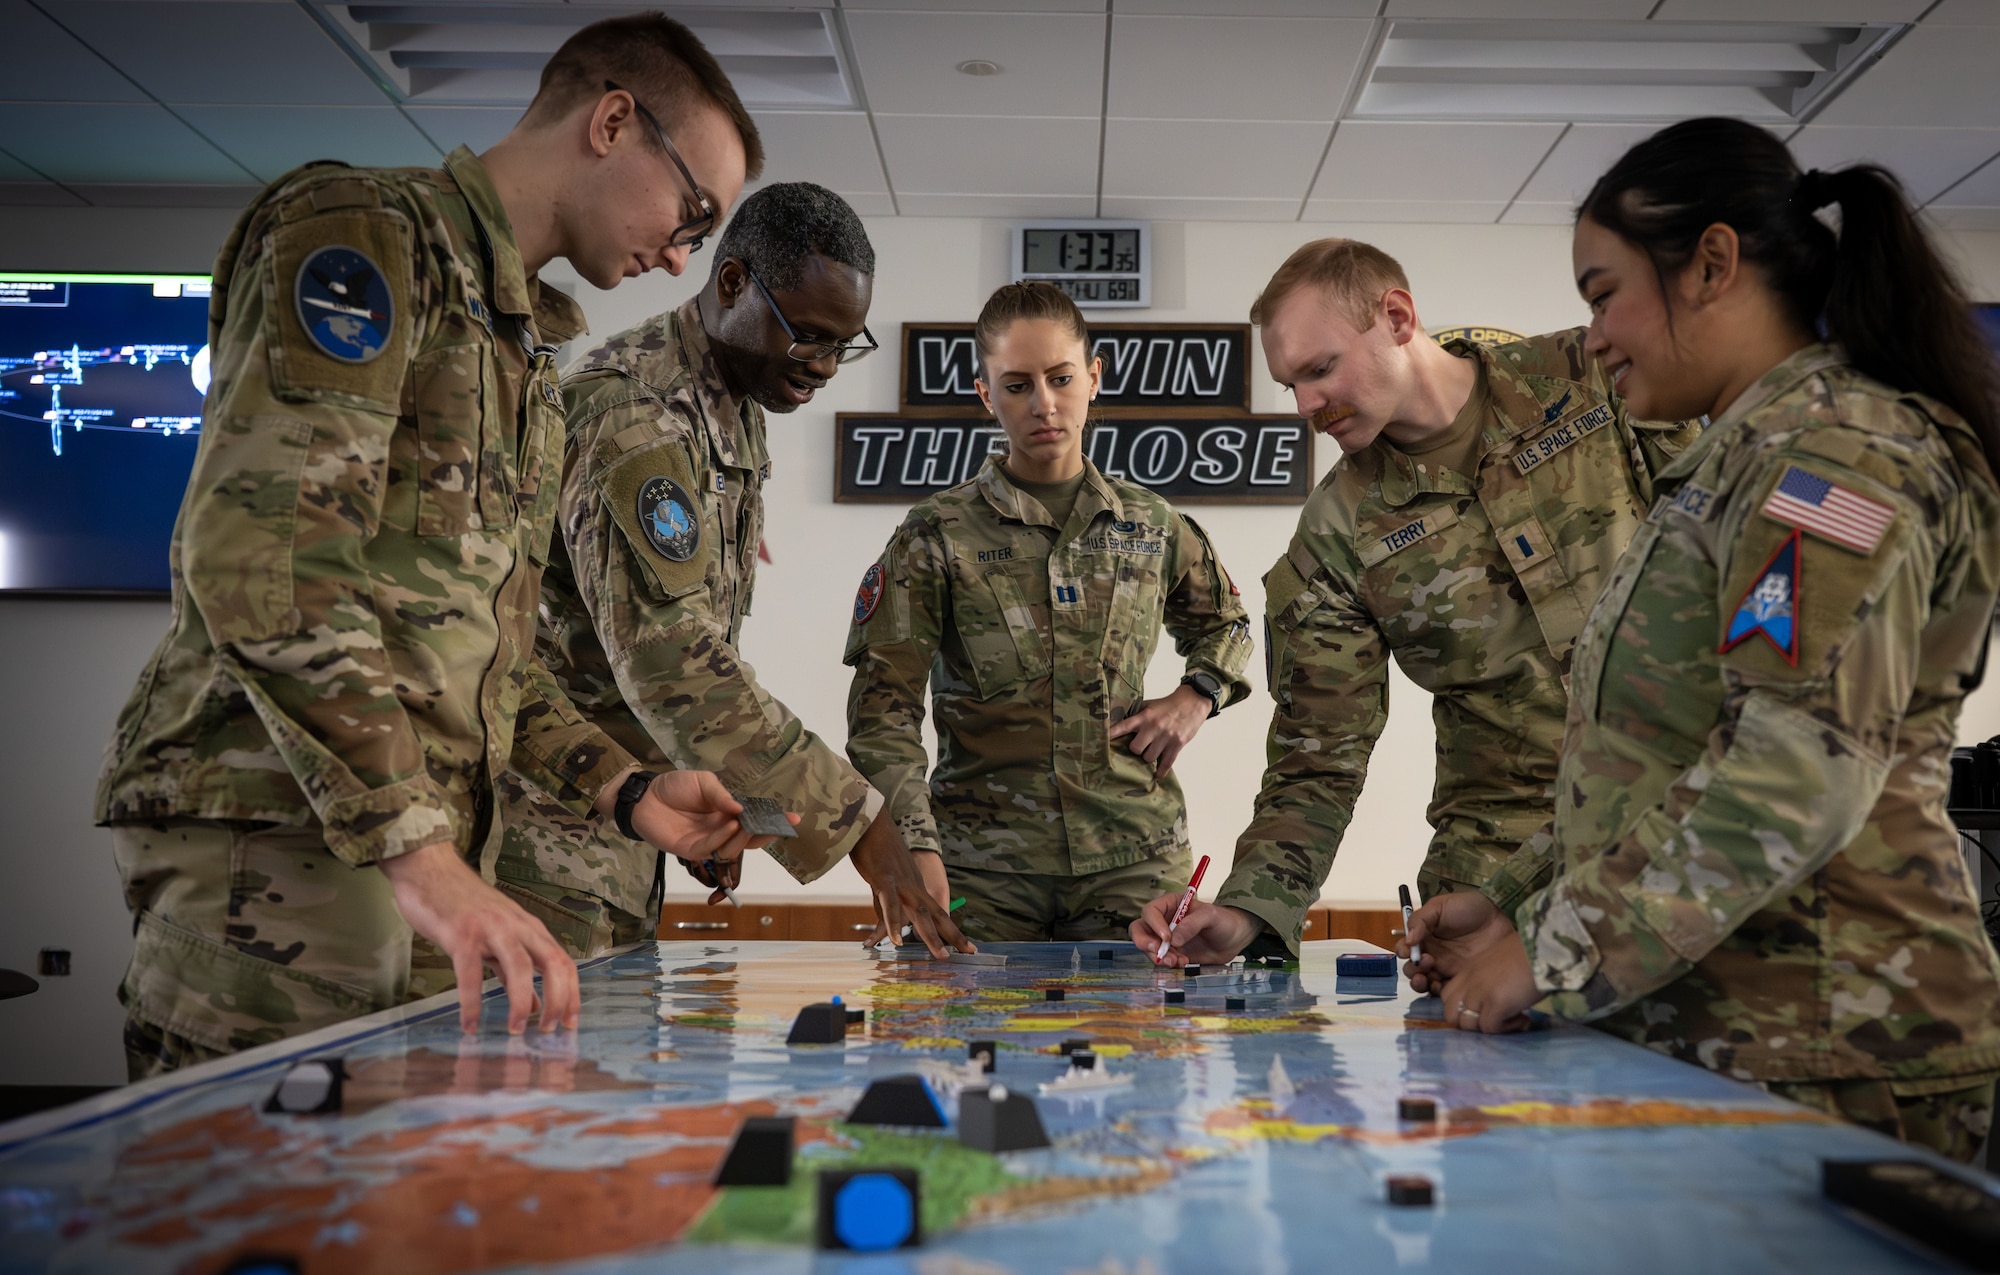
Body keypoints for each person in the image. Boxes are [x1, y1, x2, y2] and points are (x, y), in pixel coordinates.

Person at [95, 14, 776, 1078]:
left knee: (398, 1218)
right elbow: (262, 559)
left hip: (421, 856)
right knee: (258, 1218)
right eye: (692, 211)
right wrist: (419, 855)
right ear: (611, 122)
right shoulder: (366, 234)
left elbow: (483, 656)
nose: (683, 253)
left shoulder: (524, 360)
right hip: (284, 841)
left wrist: (628, 787)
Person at [1402, 117, 2000, 1163]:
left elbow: (1790, 772)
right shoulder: (1736, 462)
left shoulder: (1834, 462)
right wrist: (1507, 901)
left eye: (1601, 294)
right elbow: (1663, 762)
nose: (1590, 337)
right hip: (1732, 1029)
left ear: (1711, 263)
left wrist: (1551, 953)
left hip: (1835, 1041)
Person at [1131, 239, 1699, 966]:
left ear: (1396, 316)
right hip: (1496, 883)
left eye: (1320, 369)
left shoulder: (1587, 378)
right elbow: (1318, 759)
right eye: (1291, 385)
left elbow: (1732, 561)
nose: (1307, 405)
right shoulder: (1337, 533)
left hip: (1688, 820)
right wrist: (1246, 910)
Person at [495, 182, 968, 958]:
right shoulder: (636, 416)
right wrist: (860, 822)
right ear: (732, 284)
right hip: (542, 841)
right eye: (809, 335)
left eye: (842, 345)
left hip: (621, 825)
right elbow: (671, 658)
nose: (824, 367)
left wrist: (718, 800)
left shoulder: (733, 398)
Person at [845, 282, 1253, 942]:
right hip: (980, 866)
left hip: (1133, 858)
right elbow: (882, 711)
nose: (1044, 404)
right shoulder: (936, 534)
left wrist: (1197, 695)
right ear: (986, 394)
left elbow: (1227, 626)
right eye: (1016, 385)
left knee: (1142, 1039)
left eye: (1062, 378)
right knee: (968, 1040)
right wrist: (913, 842)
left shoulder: (1151, 523)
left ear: (1093, 377)